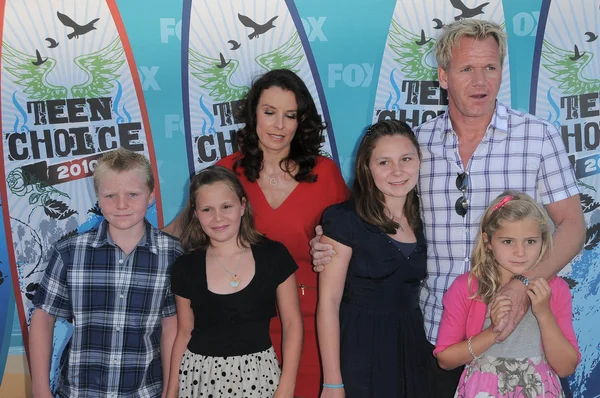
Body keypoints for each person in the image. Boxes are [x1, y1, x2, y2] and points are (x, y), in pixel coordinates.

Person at [311, 19, 585, 396]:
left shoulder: (538, 137)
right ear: (443, 76)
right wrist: (330, 242)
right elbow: (376, 219)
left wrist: (523, 285)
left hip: (516, 342)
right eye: (467, 69)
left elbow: (573, 226)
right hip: (434, 338)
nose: (480, 81)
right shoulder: (416, 146)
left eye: (490, 68)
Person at [165, 68, 350, 397]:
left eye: (289, 115)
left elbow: (355, 241)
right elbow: (176, 234)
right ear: (253, 115)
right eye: (269, 112)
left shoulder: (326, 174)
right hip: (242, 327)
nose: (279, 125)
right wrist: (120, 234)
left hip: (313, 324)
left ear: (300, 121)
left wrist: (333, 248)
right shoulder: (226, 172)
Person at [30, 148, 182, 398]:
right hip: (80, 392)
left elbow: (171, 327)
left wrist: (170, 391)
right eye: (110, 195)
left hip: (145, 392)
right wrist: (40, 389)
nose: (122, 205)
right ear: (98, 198)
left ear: (151, 195)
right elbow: (43, 319)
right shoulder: (70, 252)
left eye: (133, 194)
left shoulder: (172, 254)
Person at [317, 120, 434, 397]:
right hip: (360, 349)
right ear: (367, 168)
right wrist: (333, 382)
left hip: (413, 347)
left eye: (406, 158)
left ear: (419, 160)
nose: (397, 171)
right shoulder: (344, 219)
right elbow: (329, 304)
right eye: (384, 162)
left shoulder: (428, 217)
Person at [165, 165, 303, 398]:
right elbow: (184, 332)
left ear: (242, 206)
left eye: (226, 206)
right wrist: (171, 393)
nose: (218, 217)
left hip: (260, 378)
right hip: (200, 379)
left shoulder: (274, 255)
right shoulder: (185, 267)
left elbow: (292, 324)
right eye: (207, 209)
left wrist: (287, 387)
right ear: (196, 215)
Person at [434, 191, 580, 397]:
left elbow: (566, 367)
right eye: (508, 241)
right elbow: (445, 359)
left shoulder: (555, 289)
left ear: (543, 241)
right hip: (483, 390)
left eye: (530, 241)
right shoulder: (466, 288)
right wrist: (493, 332)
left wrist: (545, 314)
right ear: (488, 242)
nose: (520, 252)